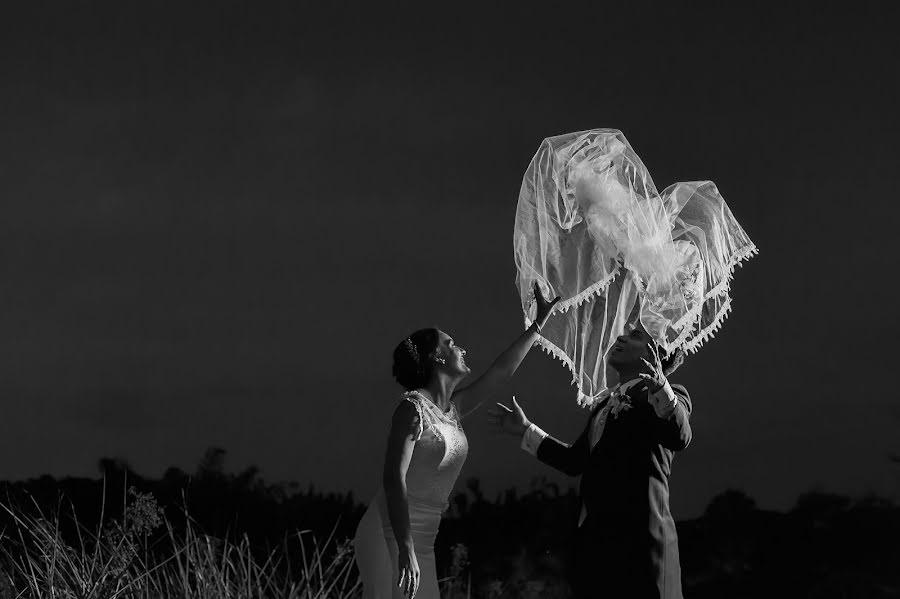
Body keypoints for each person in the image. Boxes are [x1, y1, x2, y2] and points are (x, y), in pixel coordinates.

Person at [354, 282, 559, 599]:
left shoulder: (453, 408)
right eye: (452, 345)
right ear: (437, 358)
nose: (461, 349)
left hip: (423, 539)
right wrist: (405, 547)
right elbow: (394, 479)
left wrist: (538, 325)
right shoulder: (411, 410)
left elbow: (501, 372)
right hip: (390, 535)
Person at [488, 320, 691, 599]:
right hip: (597, 550)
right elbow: (575, 461)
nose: (620, 337)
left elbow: (679, 436)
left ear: (656, 353)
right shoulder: (604, 406)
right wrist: (526, 430)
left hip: (642, 549)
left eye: (634, 335)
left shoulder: (670, 397)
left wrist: (660, 388)